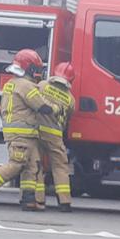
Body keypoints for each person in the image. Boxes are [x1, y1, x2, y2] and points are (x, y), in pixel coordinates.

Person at [0, 48, 54, 210]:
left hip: (22, 134)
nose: (38, 73)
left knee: (32, 166)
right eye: (36, 69)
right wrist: (56, 107)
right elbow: (42, 107)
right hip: (21, 134)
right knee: (16, 164)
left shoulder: (11, 84)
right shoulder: (26, 86)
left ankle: (28, 199)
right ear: (29, 68)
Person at [37, 62, 77, 212]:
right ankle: (64, 202)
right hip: (56, 135)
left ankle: (39, 199)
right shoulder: (70, 99)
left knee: (37, 165)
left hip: (38, 132)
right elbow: (68, 117)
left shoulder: (41, 86)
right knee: (60, 167)